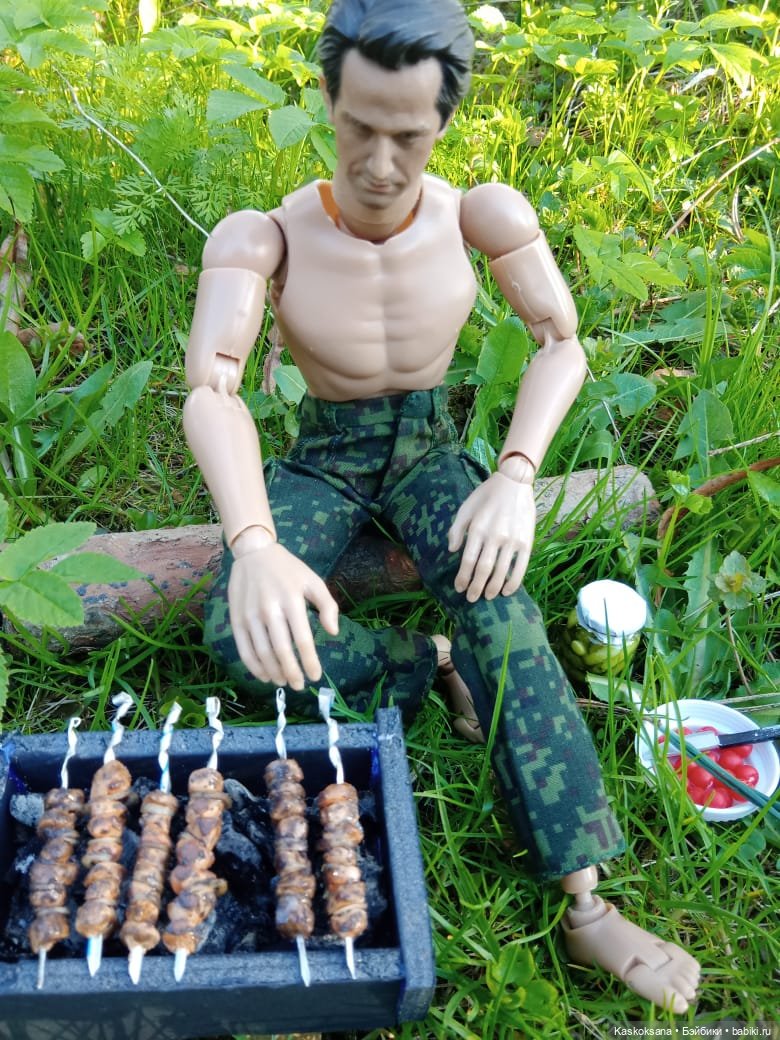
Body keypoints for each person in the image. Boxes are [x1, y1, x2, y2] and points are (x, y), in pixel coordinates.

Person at [182, 0, 700, 1014]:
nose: (381, 163)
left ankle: (587, 900)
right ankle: (426, 662)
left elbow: (561, 341)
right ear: (326, 99)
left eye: (409, 136)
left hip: (428, 448)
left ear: (444, 123)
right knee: (239, 632)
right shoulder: (263, 237)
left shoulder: (480, 216)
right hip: (326, 456)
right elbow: (213, 386)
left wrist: (515, 473)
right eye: (358, 128)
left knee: (506, 611)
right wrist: (253, 542)